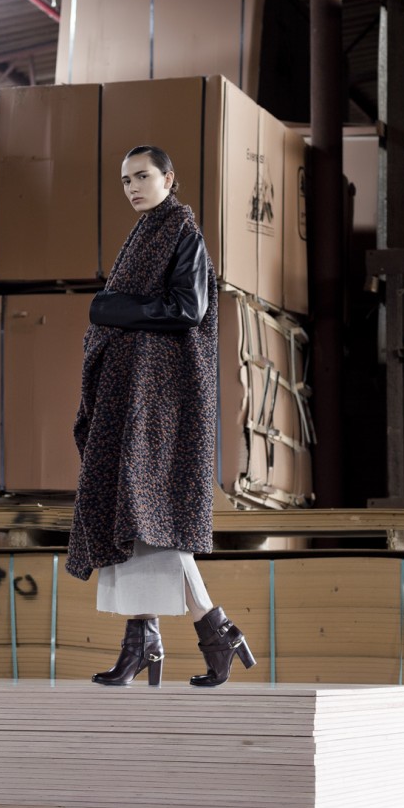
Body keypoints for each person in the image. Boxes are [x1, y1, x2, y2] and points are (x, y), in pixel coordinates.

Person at [66, 145, 255, 688]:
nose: (132, 187)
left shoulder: (182, 234)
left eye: (142, 176)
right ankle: (155, 638)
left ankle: (204, 632)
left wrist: (111, 307)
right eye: (125, 180)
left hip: (161, 405)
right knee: (136, 517)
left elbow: (188, 309)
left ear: (169, 178)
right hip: (134, 399)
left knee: (148, 516)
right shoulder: (145, 234)